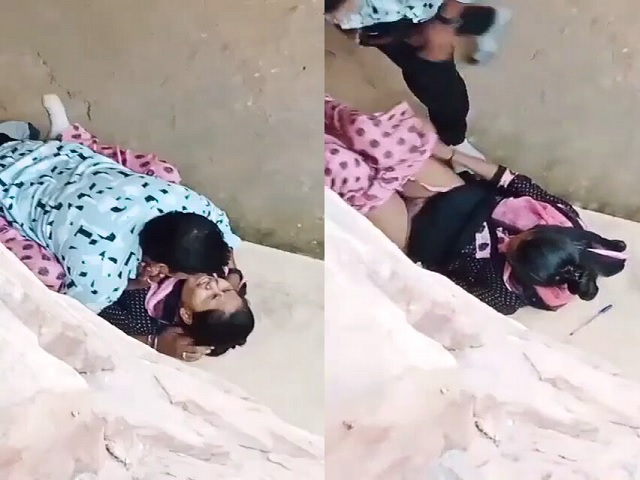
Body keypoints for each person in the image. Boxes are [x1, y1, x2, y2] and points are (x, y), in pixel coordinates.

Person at [326, 97, 627, 315]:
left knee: (343, 168)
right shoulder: (561, 221)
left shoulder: (506, 297)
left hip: (413, 233)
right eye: (523, 233)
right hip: (451, 194)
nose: (507, 238)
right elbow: (510, 180)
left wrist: (392, 254)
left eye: (510, 249)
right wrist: (448, 154)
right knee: (370, 135)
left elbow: (443, 286)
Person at [0, 95, 241, 314]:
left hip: (46, 154)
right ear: (161, 267)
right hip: (7, 186)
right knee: (51, 278)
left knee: (165, 173)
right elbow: (76, 309)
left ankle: (69, 135)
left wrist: (233, 275)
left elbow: (222, 230)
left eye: (214, 295)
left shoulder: (186, 201)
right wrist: (135, 283)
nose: (212, 284)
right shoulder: (102, 277)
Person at [326, 0, 512, 157]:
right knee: (406, 43)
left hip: (408, 13)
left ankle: (453, 139)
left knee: (434, 82)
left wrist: (445, 21)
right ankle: (488, 20)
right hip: (376, 17)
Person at [101, 271, 254, 362]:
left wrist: (154, 343)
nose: (212, 284)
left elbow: (95, 305)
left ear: (186, 314)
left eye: (211, 296)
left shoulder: (141, 318)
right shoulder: (210, 264)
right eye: (226, 289)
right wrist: (234, 273)